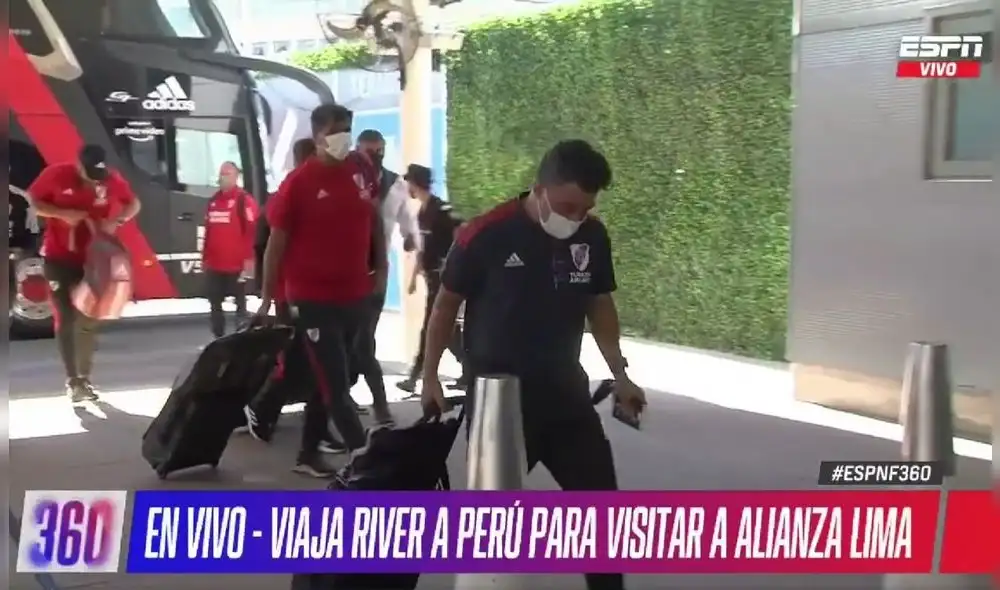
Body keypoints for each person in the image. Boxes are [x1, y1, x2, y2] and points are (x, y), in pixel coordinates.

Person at [419, 140, 644, 590]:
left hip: (565, 399)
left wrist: (621, 375)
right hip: (499, 405)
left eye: (585, 208)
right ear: (539, 189)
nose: (576, 218)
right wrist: (429, 378)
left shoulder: (592, 236)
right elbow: (445, 307)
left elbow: (600, 306)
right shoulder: (486, 233)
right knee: (493, 531)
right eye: (567, 206)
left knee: (601, 513)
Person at [256, 104, 388, 477]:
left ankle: (308, 453)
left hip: (355, 294)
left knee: (334, 376)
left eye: (347, 128)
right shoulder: (298, 184)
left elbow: (373, 218)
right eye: (336, 129)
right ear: (316, 135)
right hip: (313, 299)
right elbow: (275, 246)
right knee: (334, 383)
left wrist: (382, 267)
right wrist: (269, 297)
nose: (343, 136)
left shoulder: (360, 169)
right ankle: (368, 460)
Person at [243, 138, 348, 454]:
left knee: (313, 363)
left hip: (319, 294)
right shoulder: (290, 194)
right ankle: (266, 410)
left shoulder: (324, 194)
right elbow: (268, 250)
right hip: (294, 295)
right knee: (306, 361)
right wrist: (267, 297)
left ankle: (309, 430)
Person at [27, 144, 142, 403]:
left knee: (88, 317)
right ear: (79, 165)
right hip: (58, 257)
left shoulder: (111, 179)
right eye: (90, 174)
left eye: (98, 175)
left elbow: (133, 203)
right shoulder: (57, 175)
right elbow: (34, 202)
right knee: (66, 315)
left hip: (94, 259)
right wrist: (61, 213)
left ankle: (85, 377)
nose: (95, 180)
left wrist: (117, 221)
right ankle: (73, 380)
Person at [349, 130, 421, 423]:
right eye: (369, 151)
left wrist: (410, 239)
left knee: (363, 340)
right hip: (346, 269)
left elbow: (409, 224)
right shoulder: (348, 180)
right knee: (352, 342)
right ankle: (358, 399)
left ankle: (373, 404)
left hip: (376, 272)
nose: (374, 157)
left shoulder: (396, 186)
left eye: (379, 151)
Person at [395, 164, 466, 394]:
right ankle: (470, 369)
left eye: (409, 183)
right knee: (450, 333)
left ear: (416, 183)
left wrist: (453, 265)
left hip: (443, 279)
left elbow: (462, 236)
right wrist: (415, 276)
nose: (407, 188)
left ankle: (415, 377)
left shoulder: (442, 210)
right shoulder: (422, 213)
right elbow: (422, 249)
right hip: (430, 278)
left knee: (429, 327)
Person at [202, 161, 258, 338]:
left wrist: (249, 261)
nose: (223, 178)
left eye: (227, 174)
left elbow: (252, 231)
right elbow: (208, 232)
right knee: (214, 303)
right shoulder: (213, 201)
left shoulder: (244, 201)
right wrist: (204, 258)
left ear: (236, 177)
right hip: (215, 264)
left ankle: (241, 337)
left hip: (237, 265)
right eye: (221, 174)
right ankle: (218, 336)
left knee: (240, 303)